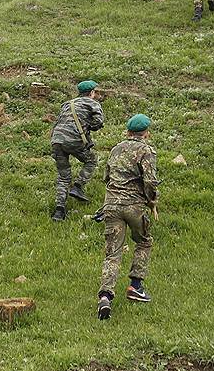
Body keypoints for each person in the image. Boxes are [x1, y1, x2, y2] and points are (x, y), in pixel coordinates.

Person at [97, 114, 160, 321]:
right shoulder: (146, 150)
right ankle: (136, 286)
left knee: (112, 253)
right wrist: (152, 201)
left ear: (128, 131)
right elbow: (150, 181)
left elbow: (107, 177)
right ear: (146, 133)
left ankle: (105, 296)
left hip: (111, 205)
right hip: (134, 207)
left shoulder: (116, 149)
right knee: (144, 242)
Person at [49, 80, 105, 221]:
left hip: (56, 140)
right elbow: (98, 122)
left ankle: (59, 211)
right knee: (91, 160)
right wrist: (87, 127)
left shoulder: (67, 104)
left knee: (63, 177)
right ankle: (78, 186)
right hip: (73, 140)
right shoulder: (93, 103)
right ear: (91, 93)